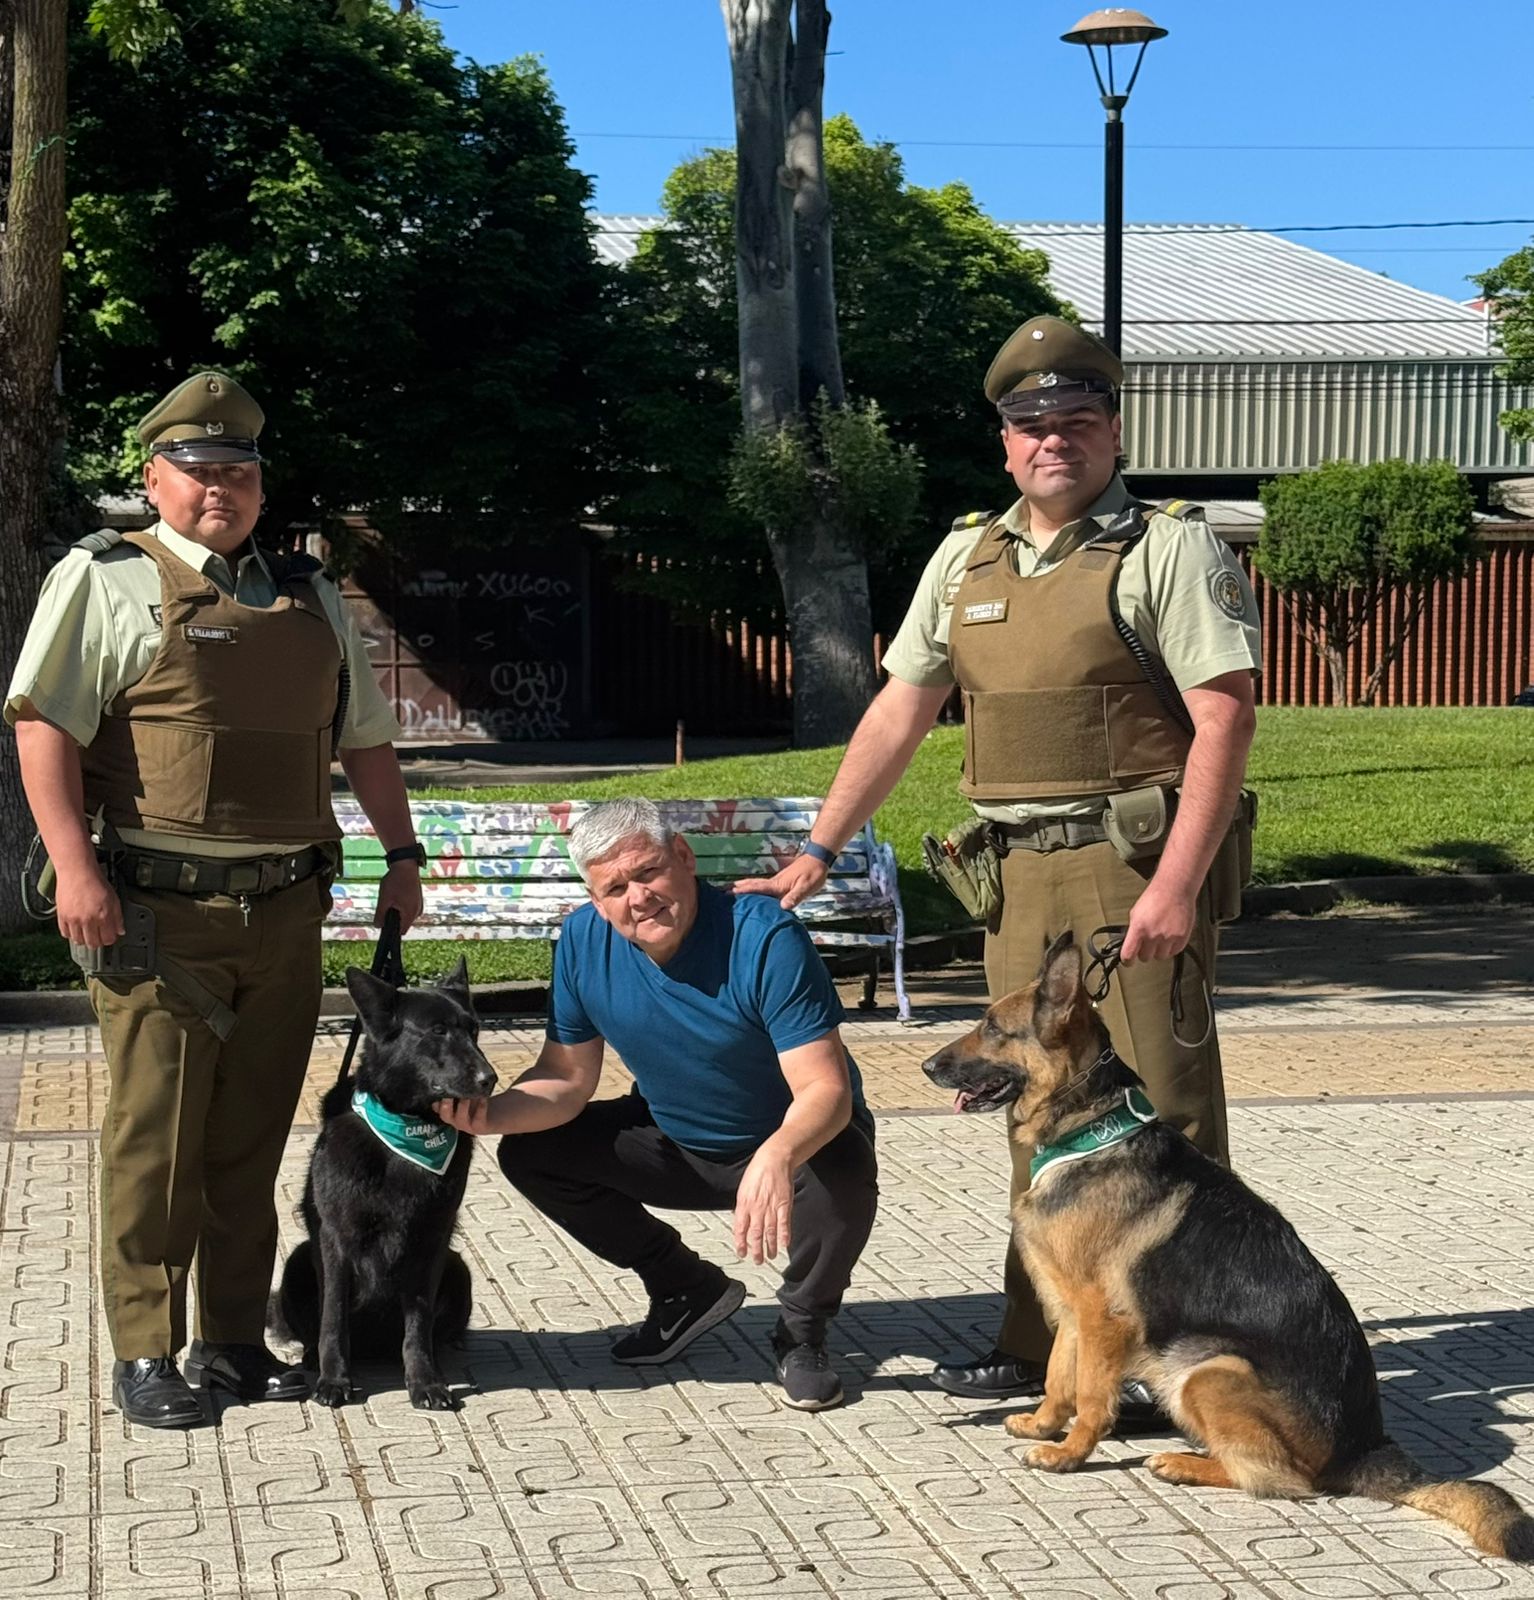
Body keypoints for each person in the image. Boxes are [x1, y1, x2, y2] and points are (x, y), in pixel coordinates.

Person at [737, 316, 1260, 1418]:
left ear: (1113, 431)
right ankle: (1047, 1349)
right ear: (1005, 441)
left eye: (1075, 420)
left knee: (1159, 1121)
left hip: (1133, 879)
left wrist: (1173, 886)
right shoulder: (964, 556)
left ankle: (1188, 1352)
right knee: (1038, 1121)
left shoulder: (1168, 548)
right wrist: (820, 846)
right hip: (1013, 884)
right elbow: (899, 710)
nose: (1052, 440)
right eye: (1032, 425)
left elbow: (1223, 722)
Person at [6, 371, 426, 1428]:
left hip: (287, 913)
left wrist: (404, 854)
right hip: (157, 919)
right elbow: (42, 726)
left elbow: (365, 738)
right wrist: (79, 871)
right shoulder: (104, 580)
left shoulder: (311, 595)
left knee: (249, 1140)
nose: (220, 491)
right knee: (157, 1142)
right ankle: (146, 1350)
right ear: (155, 478)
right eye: (197, 472)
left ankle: (233, 1339)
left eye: (238, 471)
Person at [434, 797, 878, 1411]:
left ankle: (802, 1335)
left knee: (845, 1171)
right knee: (533, 1153)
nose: (637, 897)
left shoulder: (763, 934)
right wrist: (485, 1113)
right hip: (680, 1144)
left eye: (647, 872)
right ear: (595, 899)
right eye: (615, 887)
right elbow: (565, 1078)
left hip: (795, 1143)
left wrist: (777, 1155)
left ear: (684, 857)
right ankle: (684, 1288)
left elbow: (825, 1091)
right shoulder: (584, 940)